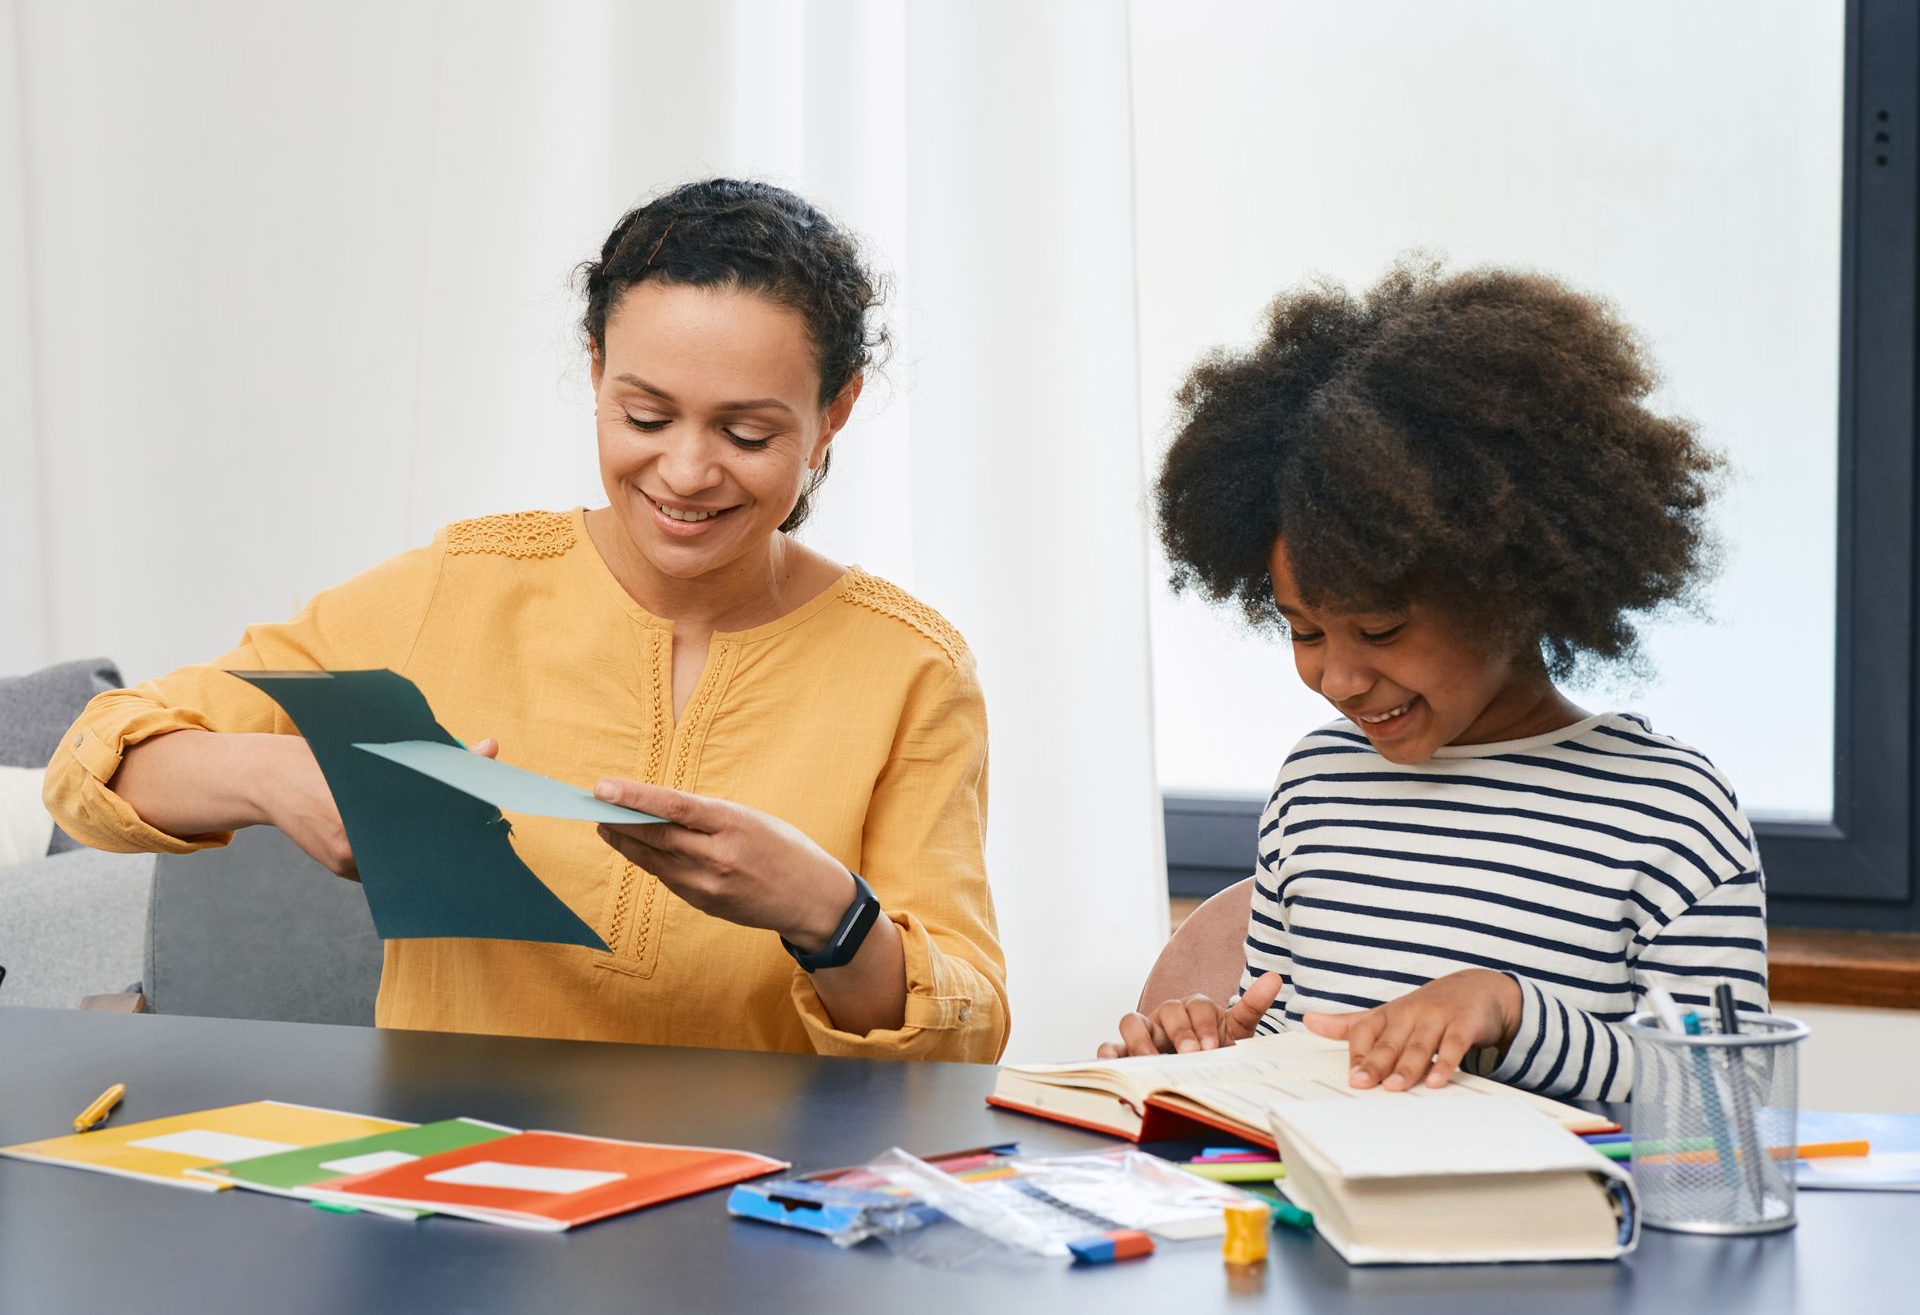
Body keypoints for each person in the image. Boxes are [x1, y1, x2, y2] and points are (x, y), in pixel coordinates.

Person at [45, 179, 1006, 1061]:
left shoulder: (910, 667)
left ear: (835, 411)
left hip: (763, 1201)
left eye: (747, 433)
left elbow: (968, 1037)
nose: (685, 471)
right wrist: (271, 775)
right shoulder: (460, 585)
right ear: (595, 372)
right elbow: (92, 764)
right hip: (459, 1181)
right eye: (644, 416)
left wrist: (828, 914)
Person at [1099, 260, 1766, 1101]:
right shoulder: (1315, 787)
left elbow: (1728, 1098)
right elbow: (1287, 1030)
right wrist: (1210, 1047)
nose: (1335, 675)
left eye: (1380, 628)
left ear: (1509, 584)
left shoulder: (1669, 812)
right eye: (1302, 630)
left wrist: (1513, 1011)